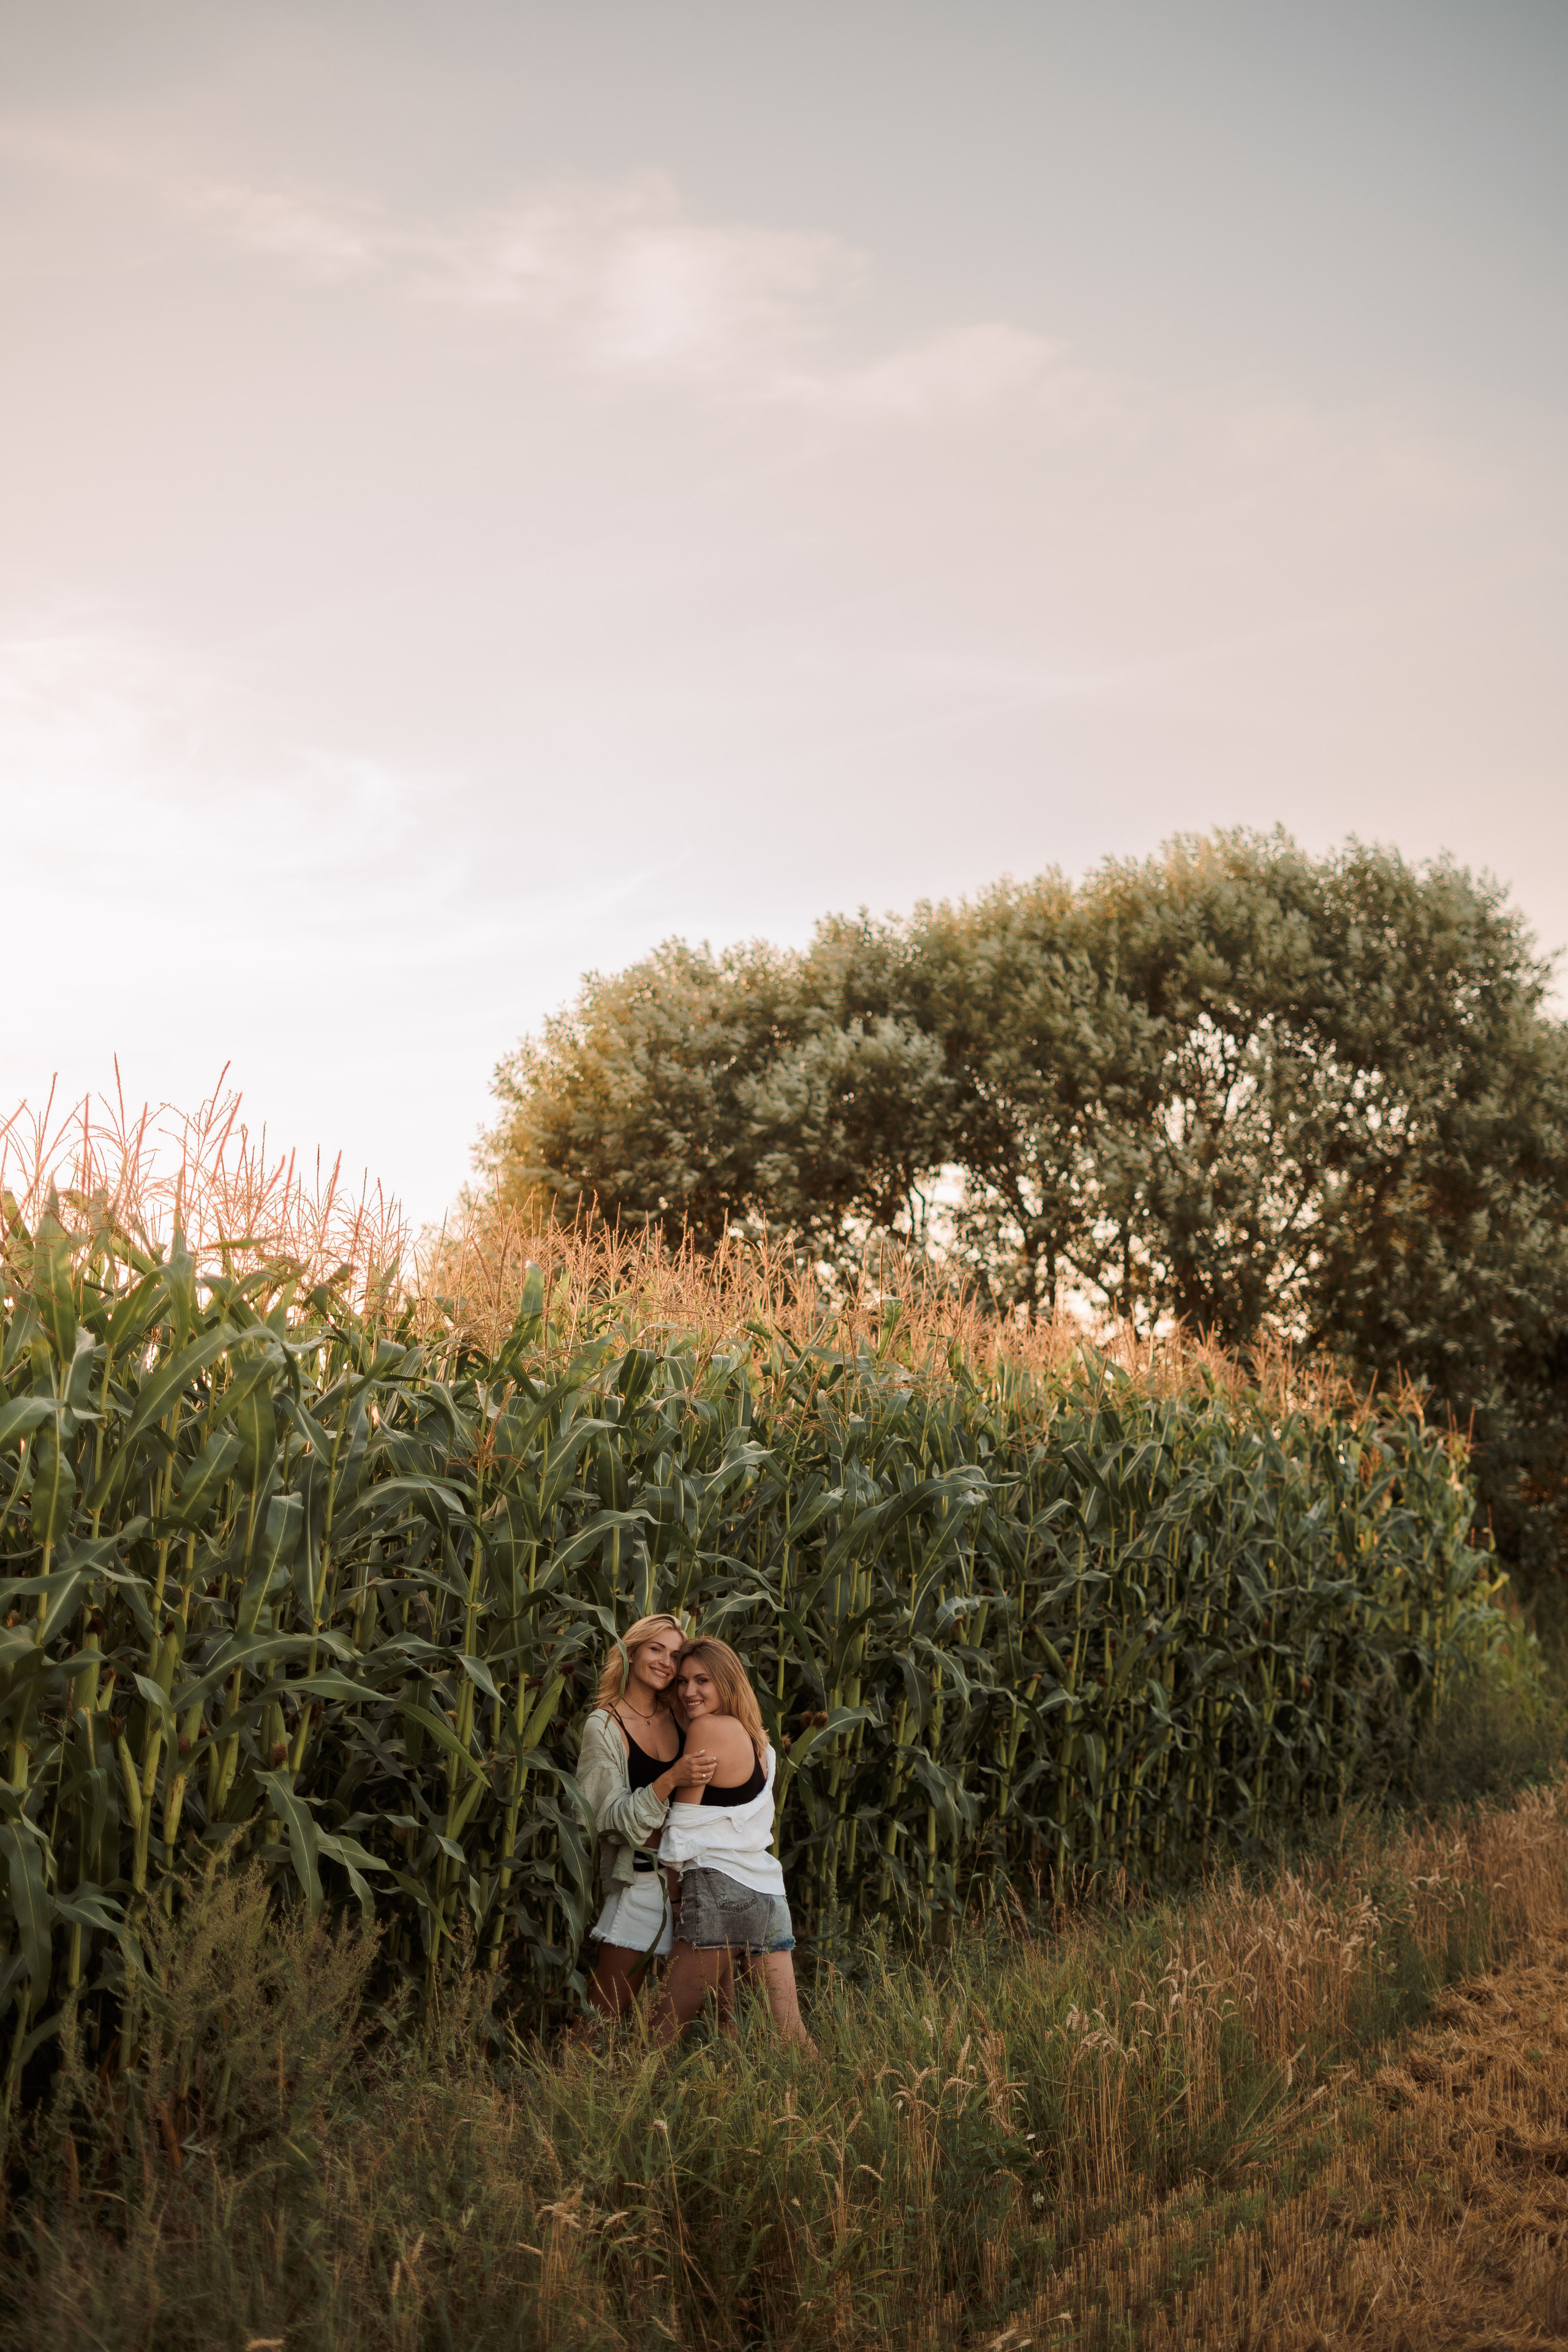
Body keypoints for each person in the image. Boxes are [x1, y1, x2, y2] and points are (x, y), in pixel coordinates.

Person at [651, 1635, 813, 2049]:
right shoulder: (762, 1744)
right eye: (683, 1681)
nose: (688, 1691)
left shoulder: (708, 1728)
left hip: (717, 1890)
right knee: (793, 2041)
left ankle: (618, 2110)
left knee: (658, 2039)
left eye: (702, 1680)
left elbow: (682, 1831)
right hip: (769, 1897)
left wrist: (673, 1898)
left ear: (727, 1681)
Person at [575, 1612, 718, 2020]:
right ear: (631, 1651)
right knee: (604, 2017)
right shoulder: (605, 1725)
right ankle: (571, 2080)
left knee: (683, 2019)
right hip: (641, 1884)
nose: (666, 1663)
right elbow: (602, 1820)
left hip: (693, 1884)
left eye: (675, 1655)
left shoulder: (681, 1713)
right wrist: (669, 1780)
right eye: (656, 1649)